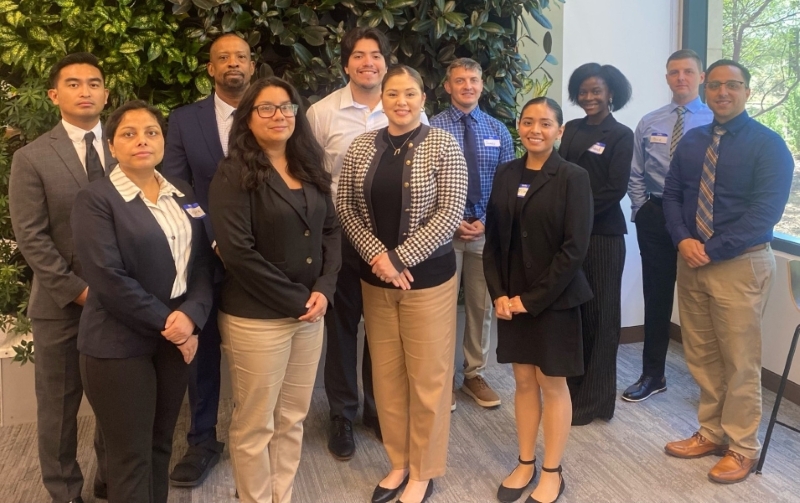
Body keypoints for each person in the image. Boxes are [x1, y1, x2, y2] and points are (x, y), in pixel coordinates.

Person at [71, 100, 214, 503]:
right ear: (111, 146)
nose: (142, 140)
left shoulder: (182, 193)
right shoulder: (95, 199)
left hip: (173, 340)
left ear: (163, 141)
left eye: (151, 132)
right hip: (118, 345)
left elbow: (202, 264)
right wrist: (172, 324)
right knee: (130, 458)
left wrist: (192, 316)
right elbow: (108, 278)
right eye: (129, 134)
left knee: (160, 445)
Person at [337, 65, 467, 503]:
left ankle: (423, 471)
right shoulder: (361, 146)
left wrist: (397, 259)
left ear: (423, 98)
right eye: (392, 93)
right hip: (376, 282)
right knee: (387, 377)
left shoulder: (444, 145)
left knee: (428, 380)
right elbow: (346, 206)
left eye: (410, 93)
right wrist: (379, 257)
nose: (401, 101)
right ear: (382, 99)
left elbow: (449, 213)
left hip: (428, 283)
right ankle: (398, 462)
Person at [208, 76, 341, 503]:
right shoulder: (232, 173)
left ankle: (280, 496)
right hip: (257, 319)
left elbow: (331, 231)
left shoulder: (308, 166)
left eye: (286, 107)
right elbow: (238, 253)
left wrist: (324, 289)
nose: (279, 115)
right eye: (266, 108)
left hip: (310, 314)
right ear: (248, 117)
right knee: (255, 424)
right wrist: (297, 299)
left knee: (292, 418)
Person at [662, 59, 794, 484]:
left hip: (740, 264)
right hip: (691, 260)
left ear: (747, 91)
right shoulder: (693, 141)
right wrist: (683, 240)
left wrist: (711, 249)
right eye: (715, 85)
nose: (722, 92)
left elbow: (765, 213)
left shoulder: (769, 145)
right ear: (706, 89)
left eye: (732, 85)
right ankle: (712, 432)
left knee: (740, 360)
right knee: (701, 354)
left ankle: (742, 446)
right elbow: (672, 194)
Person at [307, 26, 428, 458]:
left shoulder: (409, 108)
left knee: (384, 326)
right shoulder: (321, 113)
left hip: (393, 243)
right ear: (346, 65)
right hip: (341, 237)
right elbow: (311, 176)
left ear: (386, 62)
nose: (368, 63)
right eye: (358, 55)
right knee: (341, 326)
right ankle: (342, 413)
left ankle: (379, 408)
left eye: (375, 54)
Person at [9, 52, 110, 503]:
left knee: (115, 398)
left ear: (106, 94)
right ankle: (64, 490)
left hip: (121, 301)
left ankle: (111, 477)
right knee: (59, 405)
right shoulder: (32, 158)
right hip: (61, 304)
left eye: (94, 83)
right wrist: (78, 291)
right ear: (54, 95)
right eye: (73, 83)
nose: (85, 91)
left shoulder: (129, 146)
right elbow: (30, 237)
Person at [485, 97, 593, 503]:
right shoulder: (506, 173)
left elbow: (574, 249)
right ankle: (526, 462)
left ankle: (552, 471)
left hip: (553, 299)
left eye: (546, 123)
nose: (536, 130)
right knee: (523, 381)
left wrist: (529, 301)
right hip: (511, 296)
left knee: (552, 383)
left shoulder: (573, 177)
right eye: (528, 121)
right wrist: (499, 293)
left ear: (559, 130)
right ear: (518, 126)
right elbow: (493, 241)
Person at [162, 32, 255, 487]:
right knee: (201, 354)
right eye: (223, 57)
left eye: (241, 56)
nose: (233, 63)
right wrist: (217, 237)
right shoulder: (184, 120)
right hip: (203, 255)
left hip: (260, 257)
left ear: (252, 66)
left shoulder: (270, 112)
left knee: (260, 348)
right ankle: (202, 441)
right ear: (211, 69)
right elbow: (178, 188)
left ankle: (260, 434)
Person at [623, 49, 713, 402]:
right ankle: (653, 374)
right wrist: (641, 208)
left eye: (688, 72)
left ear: (700, 77)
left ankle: (711, 385)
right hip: (656, 215)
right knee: (657, 297)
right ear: (666, 78)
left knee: (703, 301)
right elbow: (635, 171)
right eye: (674, 72)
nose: (681, 78)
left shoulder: (714, 120)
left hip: (698, 220)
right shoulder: (650, 121)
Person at [430, 57, 515, 410]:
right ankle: (442, 378)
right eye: (460, 80)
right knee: (440, 308)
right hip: (442, 234)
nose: (468, 86)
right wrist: (451, 220)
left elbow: (508, 184)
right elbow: (424, 183)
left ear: (482, 85)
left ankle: (474, 374)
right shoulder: (431, 127)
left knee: (481, 308)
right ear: (447, 86)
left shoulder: (498, 130)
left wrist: (486, 220)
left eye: (474, 80)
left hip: (484, 232)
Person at [558, 63, 634, 425]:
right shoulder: (572, 129)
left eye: (596, 91)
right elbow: (559, 174)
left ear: (611, 94)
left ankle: (595, 402)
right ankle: (571, 392)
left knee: (601, 318)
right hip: (567, 235)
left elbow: (614, 189)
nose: (589, 97)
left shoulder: (620, 134)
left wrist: (575, 215)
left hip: (602, 236)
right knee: (573, 315)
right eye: (583, 91)